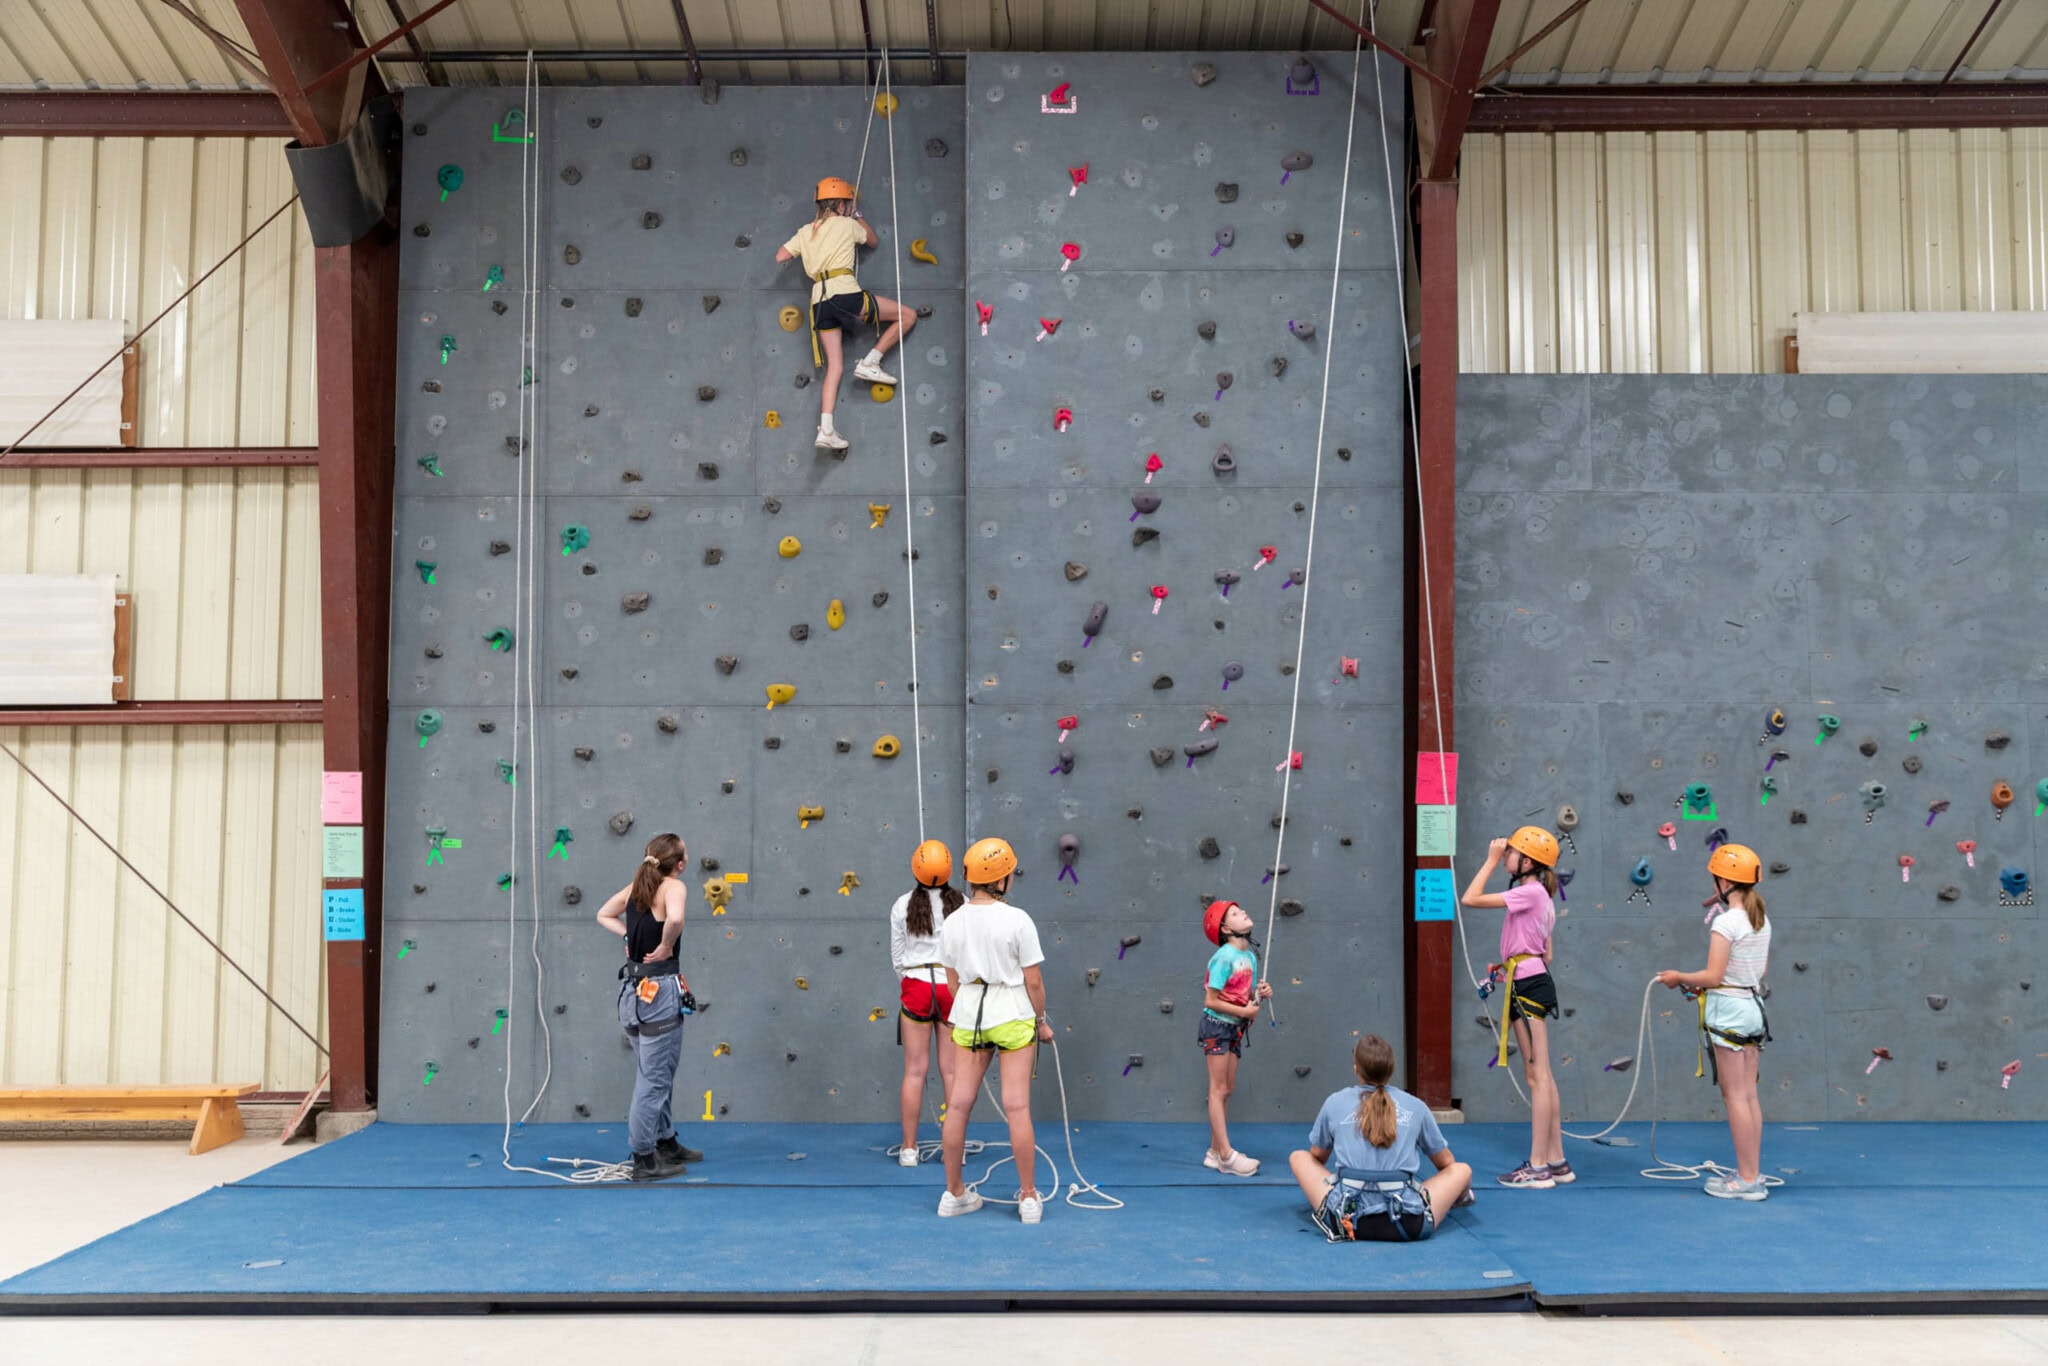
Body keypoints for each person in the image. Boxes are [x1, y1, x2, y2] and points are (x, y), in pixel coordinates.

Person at [936, 837, 1054, 1223]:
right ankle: (1029, 1197)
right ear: (1001, 879)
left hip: (970, 1015)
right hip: (1013, 1013)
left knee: (958, 1104)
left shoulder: (953, 922)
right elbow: (1033, 981)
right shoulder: (1018, 920)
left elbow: (952, 981)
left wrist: (967, 1007)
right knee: (1017, 1105)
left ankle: (954, 1193)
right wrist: (1041, 1021)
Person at [1658, 842, 1773, 1201]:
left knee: (1735, 1097)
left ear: (1724, 882)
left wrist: (1679, 976)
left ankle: (1746, 1178)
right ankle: (1752, 1171)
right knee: (1749, 1096)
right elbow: (1752, 973)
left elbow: (1712, 974)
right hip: (1752, 1010)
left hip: (1729, 1014)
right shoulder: (1760, 919)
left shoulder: (1726, 922)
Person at [774, 175, 916, 453]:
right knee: (907, 315)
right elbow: (872, 241)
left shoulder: (807, 230)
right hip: (844, 293)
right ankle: (871, 361)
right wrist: (857, 215)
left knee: (835, 367)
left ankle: (826, 430)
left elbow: (780, 256)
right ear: (841, 204)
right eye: (847, 204)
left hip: (819, 302)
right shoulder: (848, 224)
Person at [1461, 827, 1569, 1189]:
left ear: (1527, 861)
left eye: (1510, 853)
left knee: (1538, 1077)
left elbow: (1470, 898)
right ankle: (1556, 1160)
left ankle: (1538, 1166)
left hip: (1527, 986)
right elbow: (1546, 954)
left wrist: (1490, 861)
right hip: (1530, 978)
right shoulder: (1544, 897)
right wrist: (1509, 964)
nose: (1505, 856)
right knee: (1543, 1075)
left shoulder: (1528, 892)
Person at [594, 833, 704, 1182]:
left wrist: (628, 936)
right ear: (680, 863)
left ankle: (665, 1139)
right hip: (659, 993)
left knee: (659, 1072)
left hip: (633, 993)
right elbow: (675, 920)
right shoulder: (674, 887)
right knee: (654, 1080)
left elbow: (603, 915)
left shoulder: (637, 886)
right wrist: (667, 946)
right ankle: (644, 1156)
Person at [1289, 1034, 1473, 1242]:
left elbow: (1317, 1157)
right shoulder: (1416, 1106)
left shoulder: (1335, 1102)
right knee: (1461, 1170)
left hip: (1345, 1219)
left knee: (1299, 1157)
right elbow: (1446, 1163)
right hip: (1406, 1224)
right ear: (1391, 1070)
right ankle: (1463, 1196)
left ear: (1356, 1069)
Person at [890, 839, 964, 1166]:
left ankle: (909, 1149)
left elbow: (897, 958)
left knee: (914, 1072)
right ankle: (954, 1151)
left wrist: (909, 985)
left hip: (916, 987)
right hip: (951, 988)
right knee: (951, 1072)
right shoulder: (962, 901)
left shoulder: (901, 904)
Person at [1198, 898, 1273, 1176]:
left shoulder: (1250, 957)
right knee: (1217, 1090)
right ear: (1226, 929)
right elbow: (1211, 1000)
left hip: (1234, 1029)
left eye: (1241, 909)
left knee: (1227, 1089)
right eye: (1234, 913)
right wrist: (1246, 1012)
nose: (1243, 912)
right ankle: (1227, 1156)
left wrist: (1262, 993)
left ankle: (1214, 1151)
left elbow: (1248, 995)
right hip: (1217, 1025)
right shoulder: (1224, 957)